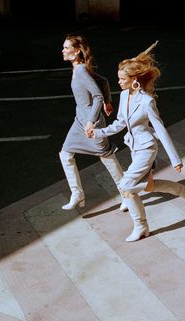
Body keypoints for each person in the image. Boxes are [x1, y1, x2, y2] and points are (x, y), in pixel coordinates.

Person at [86, 41, 185, 242]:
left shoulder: (147, 101)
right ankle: (181, 190)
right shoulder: (123, 95)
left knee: (127, 186)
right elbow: (120, 122)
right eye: (118, 78)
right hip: (134, 148)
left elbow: (160, 129)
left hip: (147, 148)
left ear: (134, 79)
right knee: (147, 186)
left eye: (122, 79)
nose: (118, 82)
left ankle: (141, 226)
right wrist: (99, 132)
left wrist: (175, 159)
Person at [59, 33, 127, 211]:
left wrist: (92, 119)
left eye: (66, 48)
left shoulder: (81, 71)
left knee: (106, 156)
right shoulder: (79, 68)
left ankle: (127, 194)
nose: (63, 50)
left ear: (76, 52)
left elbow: (96, 95)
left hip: (90, 121)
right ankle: (77, 194)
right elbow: (103, 82)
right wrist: (108, 102)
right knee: (65, 154)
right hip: (79, 120)